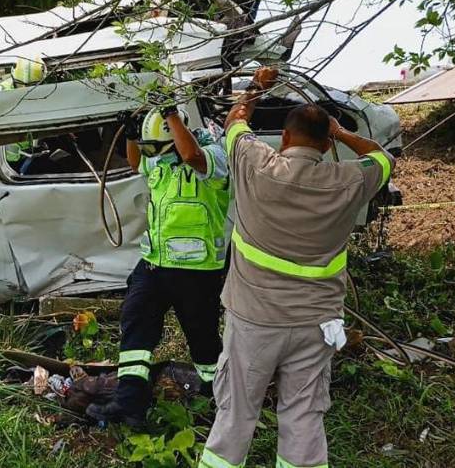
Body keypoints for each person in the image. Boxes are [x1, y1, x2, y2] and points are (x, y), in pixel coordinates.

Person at [200, 67, 395, 468]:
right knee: (304, 414)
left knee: (236, 411)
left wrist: (257, 87)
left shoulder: (256, 164)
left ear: (285, 138)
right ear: (326, 145)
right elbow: (381, 156)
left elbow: (234, 121)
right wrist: (340, 132)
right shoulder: (347, 181)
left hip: (255, 319)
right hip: (316, 324)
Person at [86, 105, 230, 429]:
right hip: (154, 265)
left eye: (159, 147)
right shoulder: (161, 159)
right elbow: (138, 161)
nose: (156, 155)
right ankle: (129, 404)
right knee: (135, 323)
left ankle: (219, 402)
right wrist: (133, 136)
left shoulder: (213, 157)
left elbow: (192, 156)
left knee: (203, 340)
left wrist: (171, 115)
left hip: (197, 271)